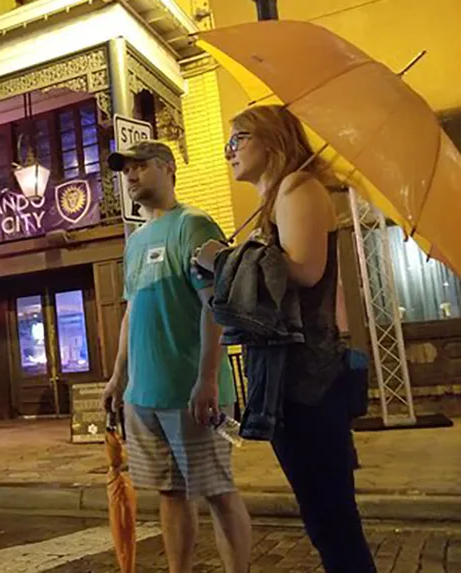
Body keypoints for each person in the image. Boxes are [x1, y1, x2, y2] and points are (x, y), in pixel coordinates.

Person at [194, 105, 376, 572]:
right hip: (291, 381)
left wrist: (225, 261)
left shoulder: (297, 187)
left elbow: (306, 271)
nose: (229, 150)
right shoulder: (277, 197)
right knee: (324, 519)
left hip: (309, 381)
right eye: (228, 142)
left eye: (239, 138)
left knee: (332, 520)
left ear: (273, 140)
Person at [102, 141, 252, 573]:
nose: (131, 176)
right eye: (125, 169)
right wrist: (118, 379)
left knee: (218, 490)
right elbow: (132, 313)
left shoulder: (195, 225)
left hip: (191, 393)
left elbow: (214, 306)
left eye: (141, 166)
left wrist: (207, 379)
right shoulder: (135, 243)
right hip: (144, 396)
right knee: (171, 491)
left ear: (167, 169)